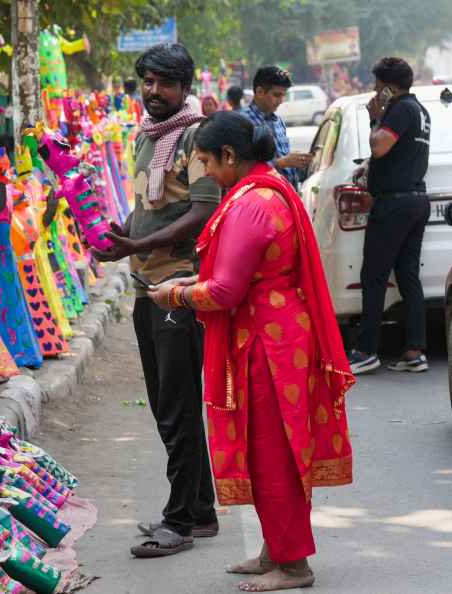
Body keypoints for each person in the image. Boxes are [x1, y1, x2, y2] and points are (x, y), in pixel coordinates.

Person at [148, 111, 354, 591]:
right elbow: (235, 278)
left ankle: (294, 565)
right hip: (274, 333)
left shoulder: (251, 205)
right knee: (271, 450)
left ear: (229, 156)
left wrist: (175, 295)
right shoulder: (265, 188)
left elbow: (224, 293)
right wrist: (188, 281)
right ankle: (274, 550)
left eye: (205, 162)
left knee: (273, 453)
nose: (204, 172)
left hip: (269, 344)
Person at [94, 43, 222, 558]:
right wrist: (119, 238)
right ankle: (202, 510)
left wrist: (141, 244)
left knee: (178, 405)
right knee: (167, 402)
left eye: (164, 82)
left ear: (185, 87)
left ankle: (178, 523)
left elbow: (202, 211)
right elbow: (151, 207)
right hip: (148, 286)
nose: (152, 91)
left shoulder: (197, 136)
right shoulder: (146, 137)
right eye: (146, 81)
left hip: (181, 287)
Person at [348, 57, 432, 375]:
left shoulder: (399, 109)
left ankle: (366, 350)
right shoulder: (420, 110)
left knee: (374, 276)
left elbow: (380, 146)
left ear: (387, 88)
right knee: (408, 276)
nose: (373, 89)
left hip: (394, 204)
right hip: (415, 200)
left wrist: (375, 118)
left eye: (376, 84)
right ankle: (415, 351)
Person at [241, 66, 312, 188]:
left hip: (284, 194)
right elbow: (243, 166)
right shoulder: (242, 121)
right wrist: (283, 162)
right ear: (259, 92)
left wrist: (298, 162)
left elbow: (284, 160)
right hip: (260, 196)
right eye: (276, 95)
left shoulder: (278, 122)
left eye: (283, 95)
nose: (280, 101)